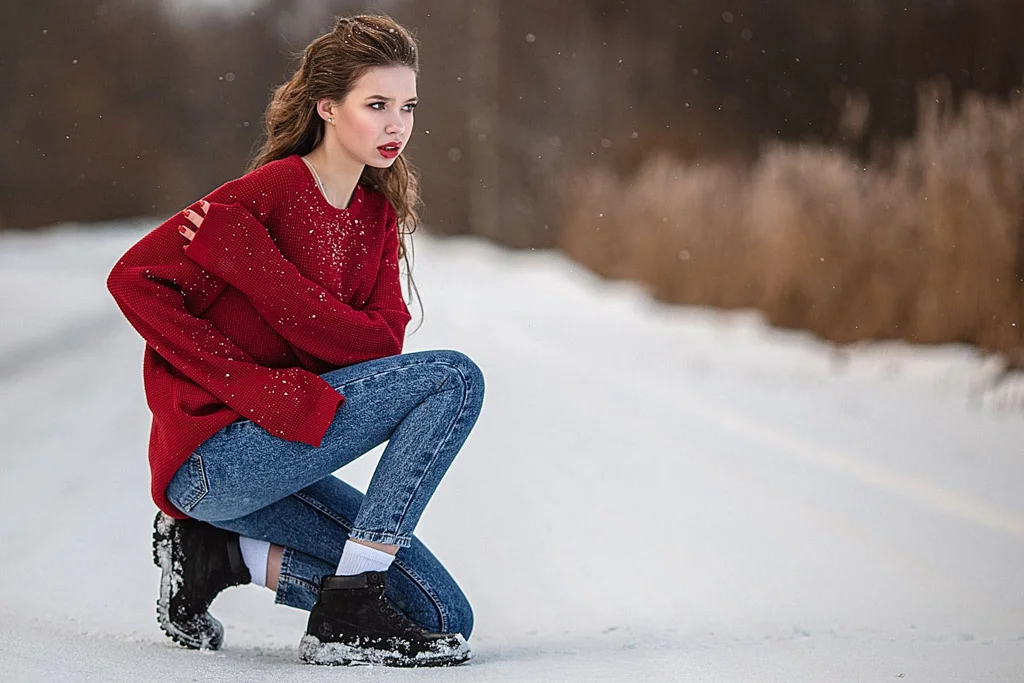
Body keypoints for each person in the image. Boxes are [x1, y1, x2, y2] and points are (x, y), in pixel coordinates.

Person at [107, 14, 484, 668]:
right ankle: (355, 595)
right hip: (213, 460)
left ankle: (221, 556)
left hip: (282, 453)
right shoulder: (267, 193)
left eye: (408, 106)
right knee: (454, 378)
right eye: (377, 105)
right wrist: (247, 384)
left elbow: (375, 349)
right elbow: (133, 279)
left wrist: (262, 273)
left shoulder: (374, 216)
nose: (397, 124)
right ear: (328, 108)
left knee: (443, 615)